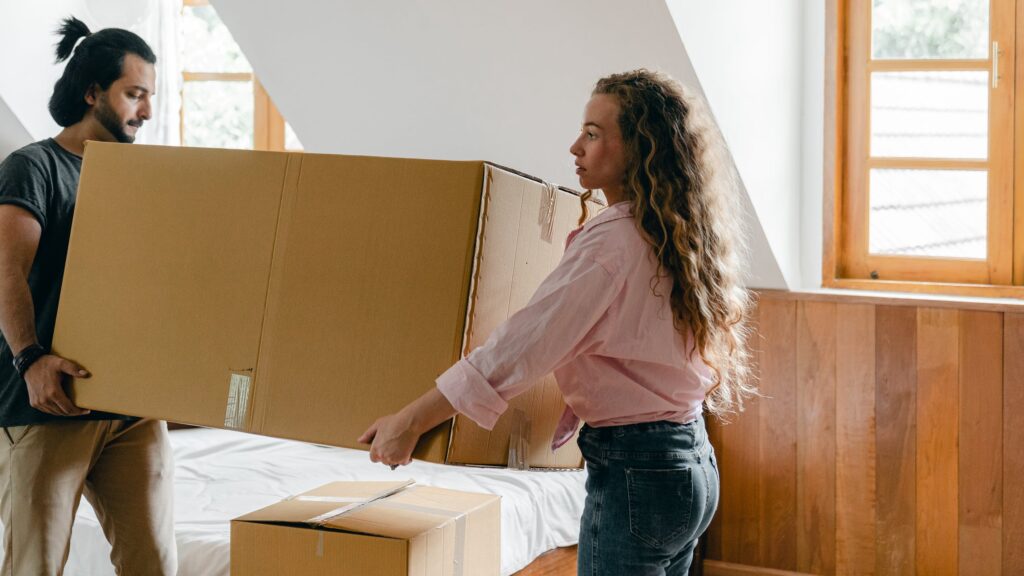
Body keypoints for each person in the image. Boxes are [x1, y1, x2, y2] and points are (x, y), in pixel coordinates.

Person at [359, 68, 756, 575]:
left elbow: (520, 349)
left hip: (639, 470)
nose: (575, 146)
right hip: (691, 461)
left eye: (593, 134)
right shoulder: (677, 236)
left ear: (640, 147)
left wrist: (410, 422)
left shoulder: (612, 244)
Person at [0, 16, 176, 576]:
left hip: (132, 410)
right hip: (50, 405)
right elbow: (7, 271)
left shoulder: (140, 178)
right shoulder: (34, 168)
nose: (145, 112)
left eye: (150, 97)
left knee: (152, 564)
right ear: (93, 91)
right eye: (135, 94)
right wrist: (30, 359)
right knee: (36, 565)